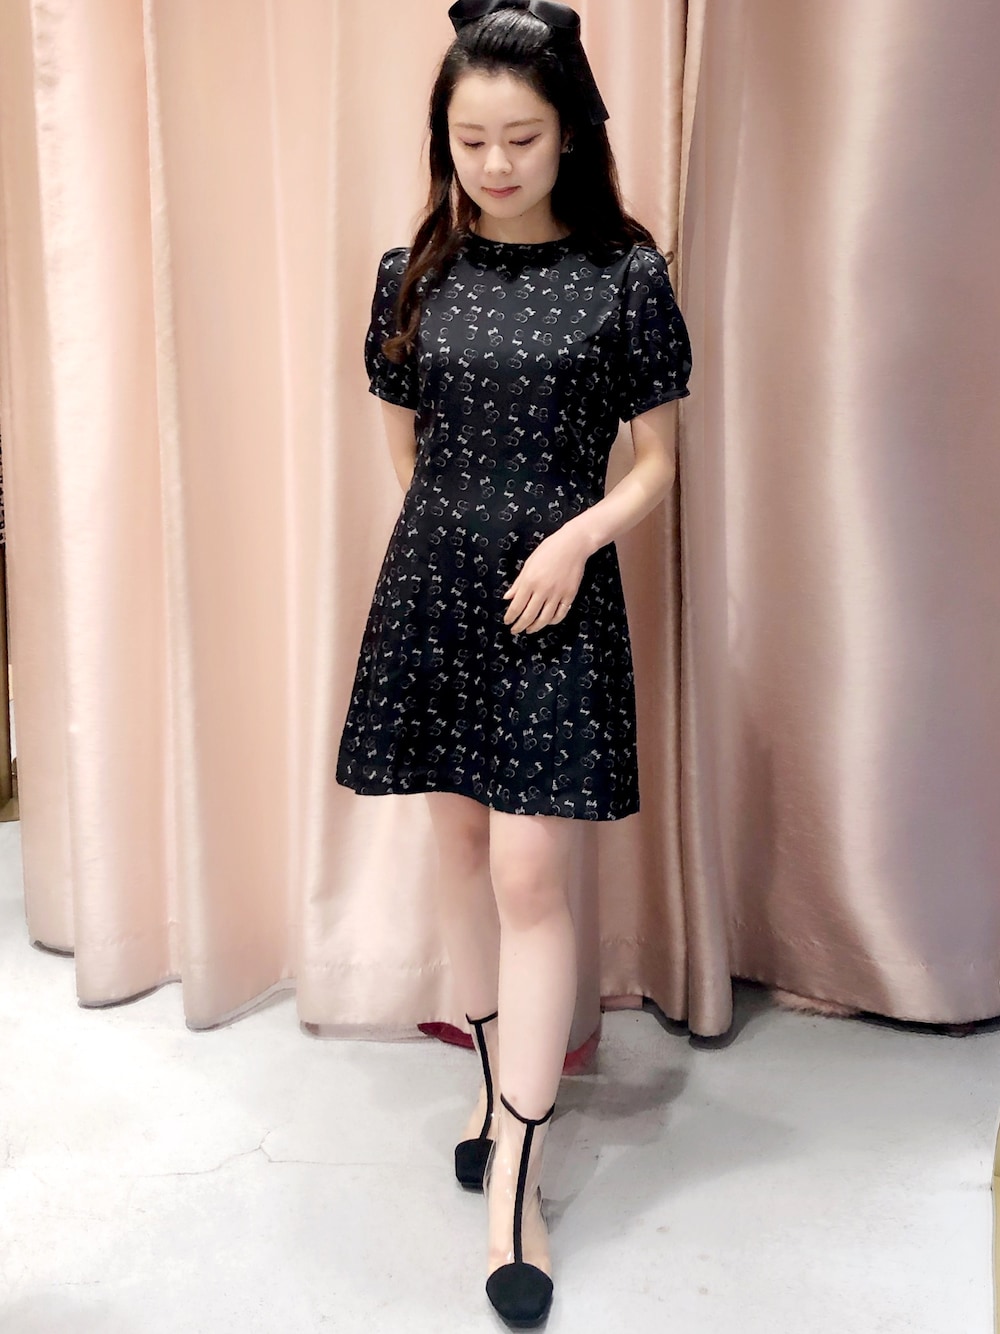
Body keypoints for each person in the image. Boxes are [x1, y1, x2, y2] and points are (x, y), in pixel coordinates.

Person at [336, 0, 692, 1324]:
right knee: (460, 851)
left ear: (570, 135)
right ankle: (490, 1094)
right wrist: (454, 551)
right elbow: (404, 451)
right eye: (470, 139)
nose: (494, 163)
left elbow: (656, 462)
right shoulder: (410, 274)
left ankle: (518, 1174)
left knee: (533, 872)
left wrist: (575, 538)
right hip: (437, 591)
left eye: (522, 138)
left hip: (557, 601)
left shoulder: (624, 276)